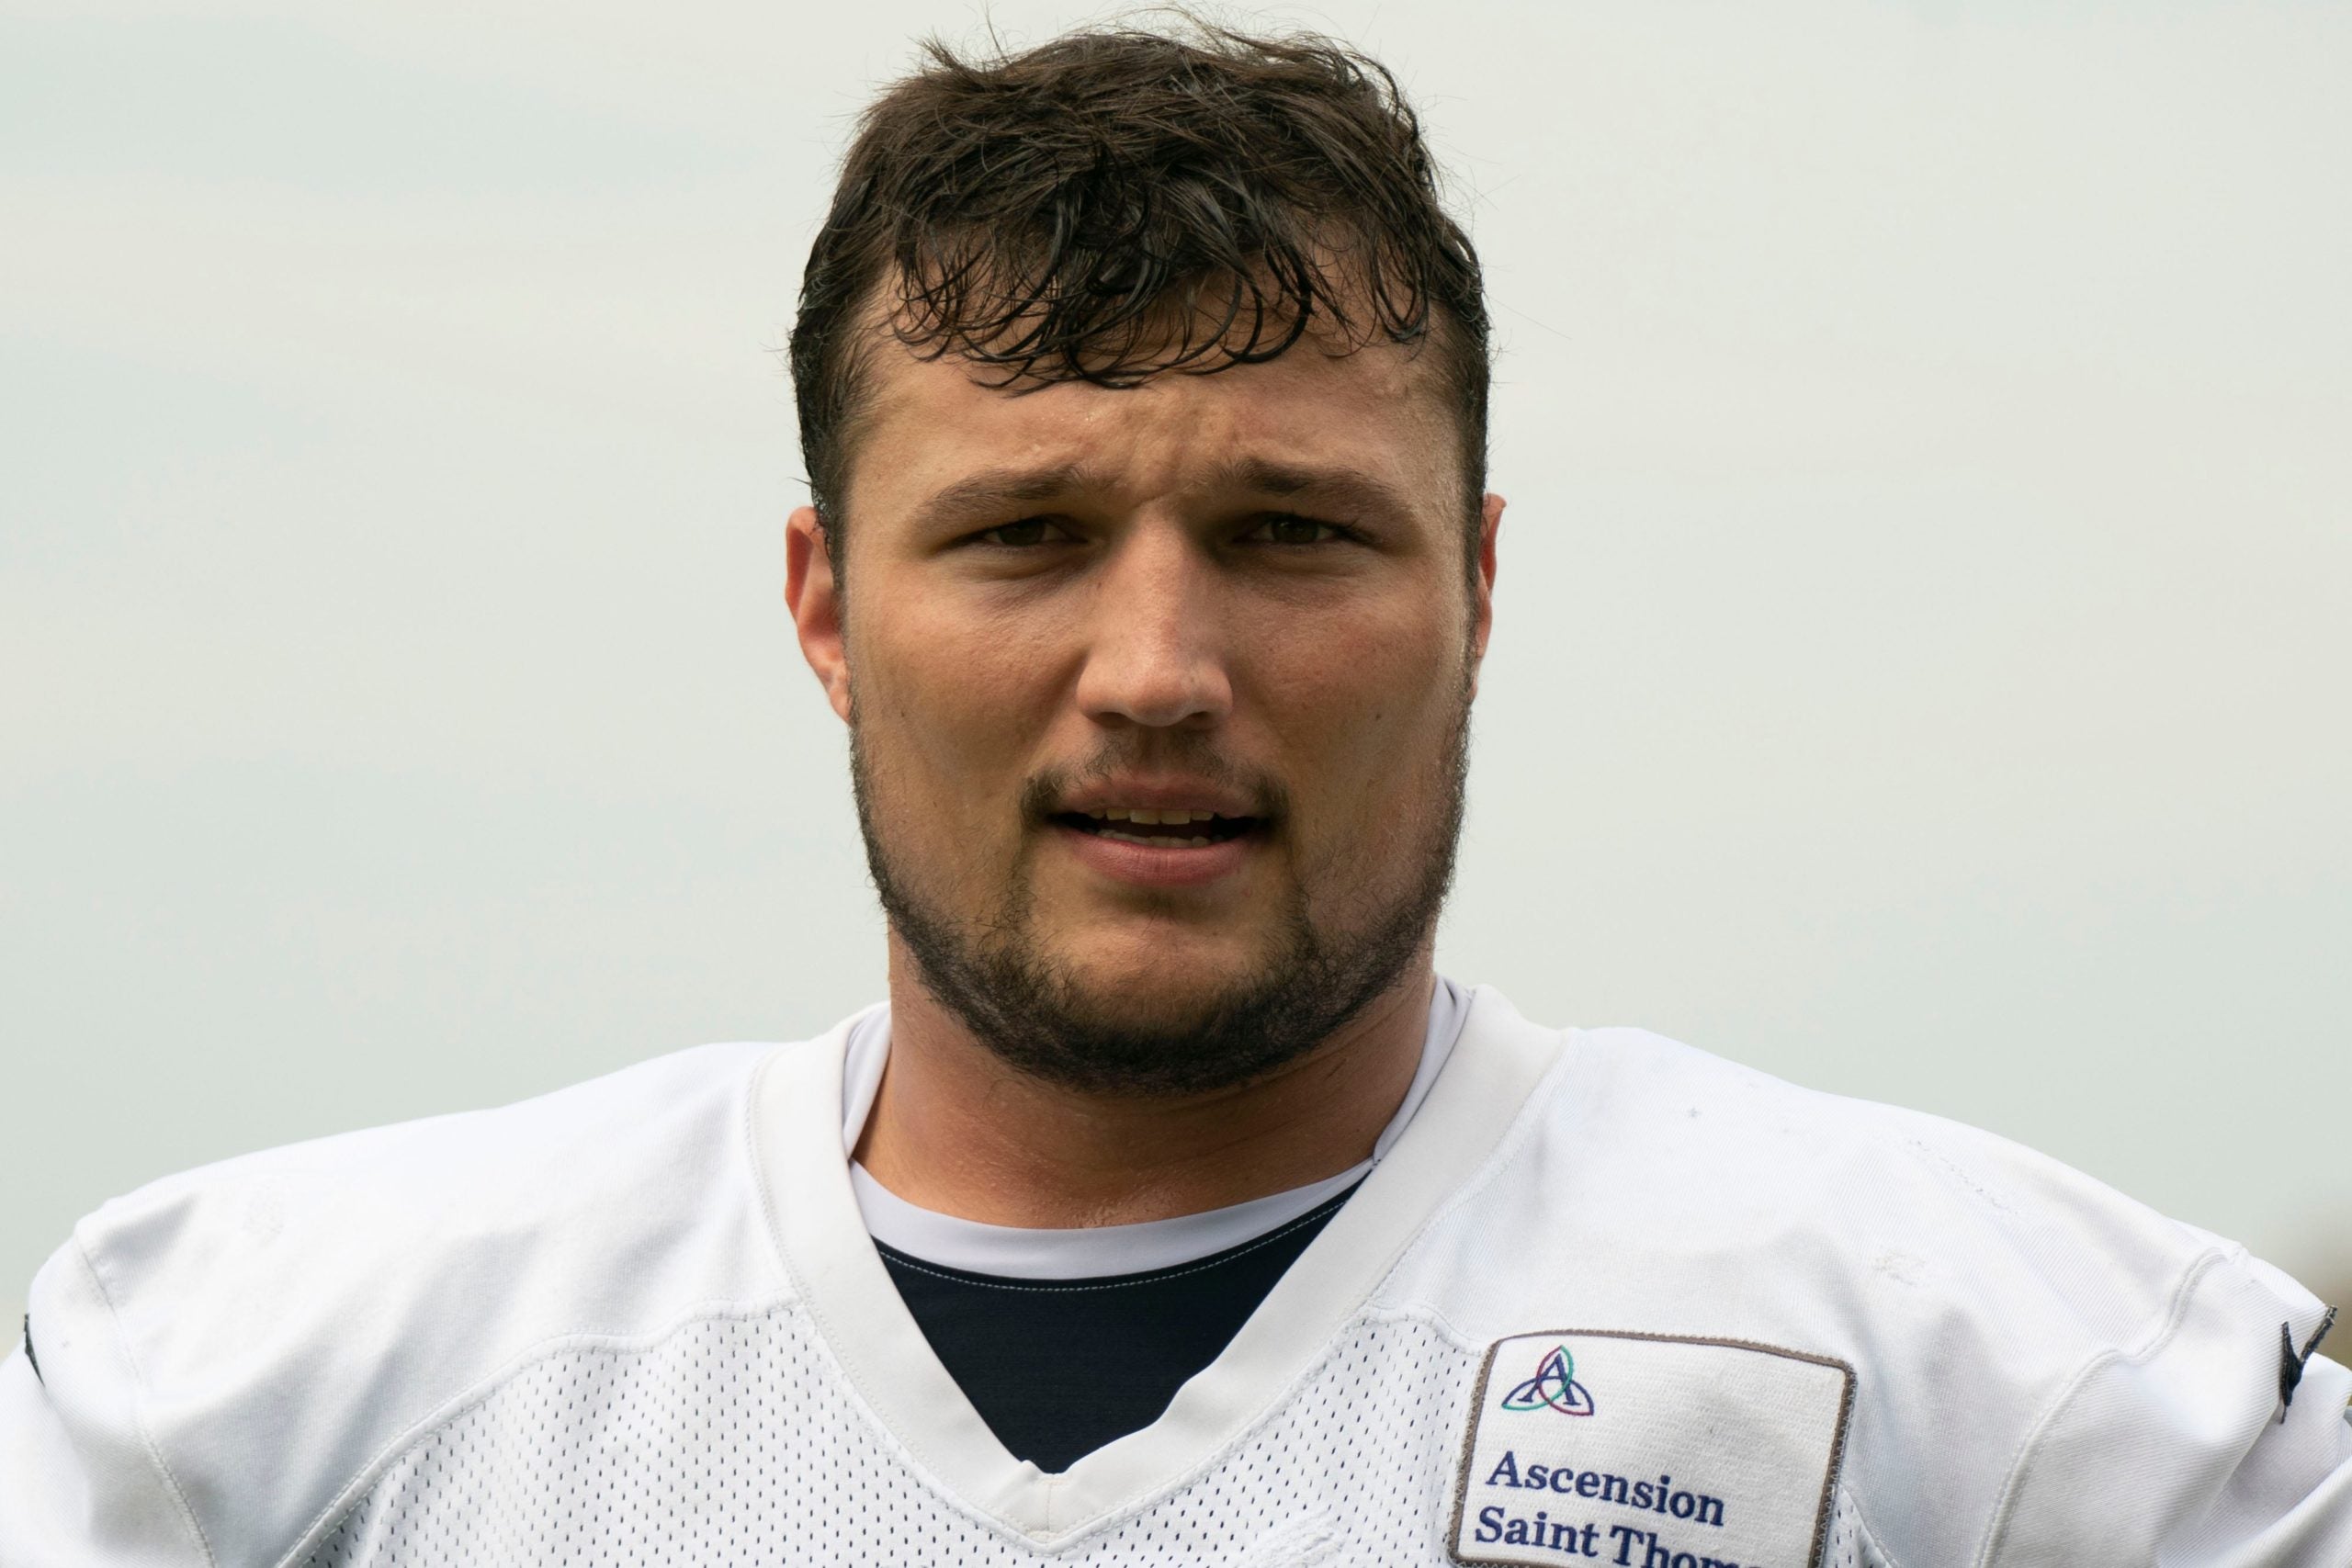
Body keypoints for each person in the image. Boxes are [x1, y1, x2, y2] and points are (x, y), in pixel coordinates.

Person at [3, 19, 2345, 1567]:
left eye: (1291, 532)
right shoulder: (257, 1391)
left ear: (1477, 585)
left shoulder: (2014, 1390)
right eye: (1019, 535)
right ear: (823, 601)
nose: (1154, 669)